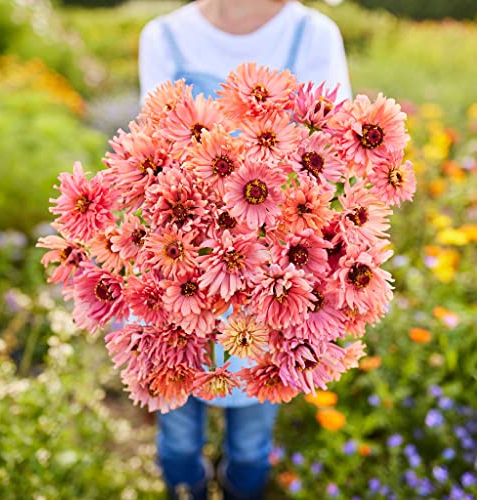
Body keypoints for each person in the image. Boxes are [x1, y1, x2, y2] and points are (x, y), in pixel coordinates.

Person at [138, 1, 352, 498]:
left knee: (254, 438)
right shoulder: (163, 35)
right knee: (177, 428)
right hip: (180, 267)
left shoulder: (314, 33)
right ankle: (184, 487)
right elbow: (152, 151)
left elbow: (336, 151)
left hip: (275, 282)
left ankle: (242, 487)